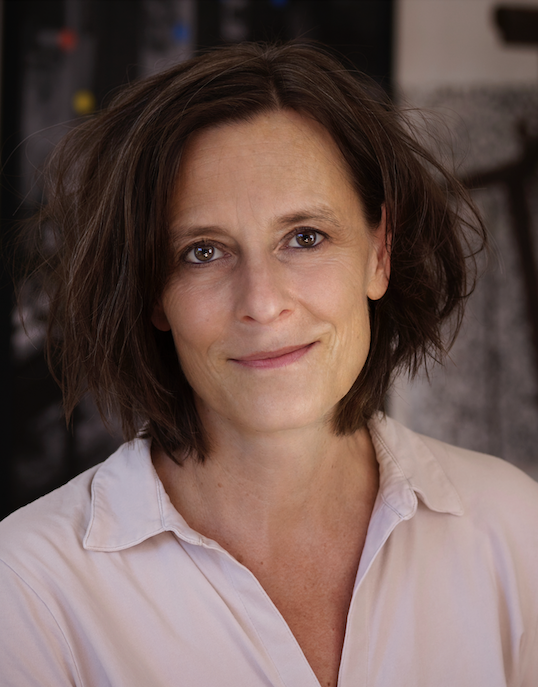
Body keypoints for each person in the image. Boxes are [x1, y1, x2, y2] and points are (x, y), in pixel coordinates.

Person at [1, 41, 537, 687]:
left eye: (305, 238)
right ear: (152, 292)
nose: (261, 302)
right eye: (203, 251)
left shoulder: (513, 529)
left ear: (379, 254)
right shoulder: (29, 589)